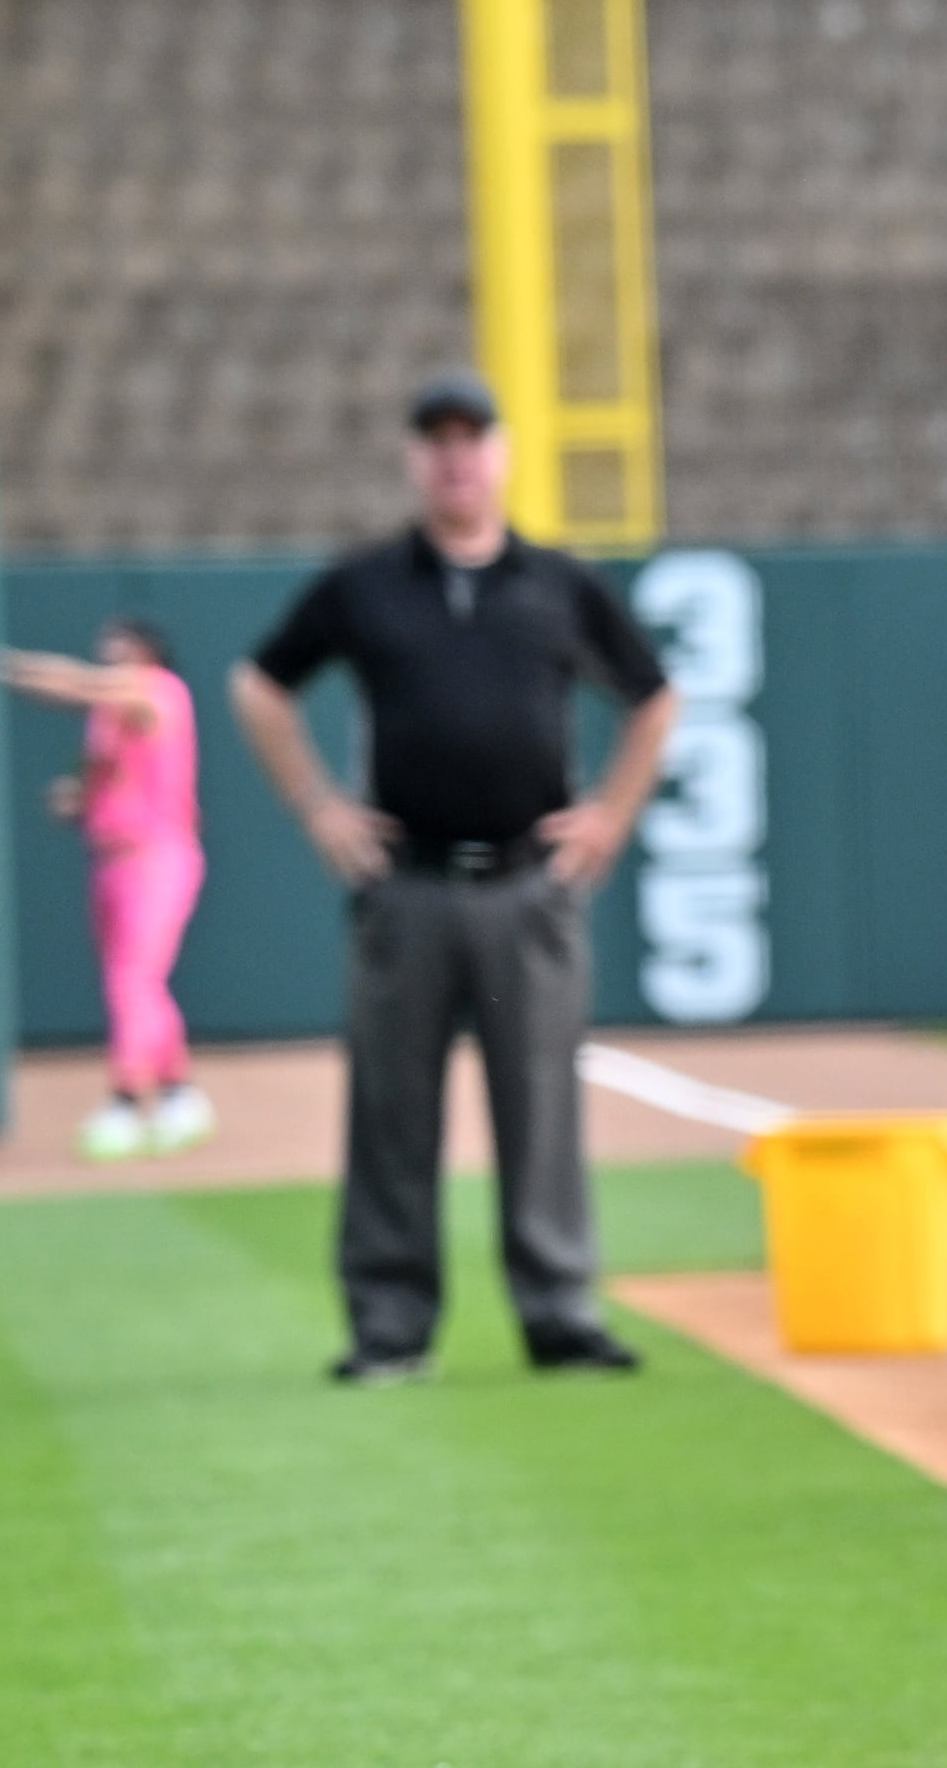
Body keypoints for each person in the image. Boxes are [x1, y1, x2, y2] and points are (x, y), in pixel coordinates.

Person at [231, 370, 675, 1382]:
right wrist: (318, 806)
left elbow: (652, 697)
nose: (455, 457)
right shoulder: (368, 583)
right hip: (409, 884)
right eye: (437, 440)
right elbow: (260, 686)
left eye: (471, 438)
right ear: (413, 458)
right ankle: (391, 1326)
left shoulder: (557, 584)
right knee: (392, 1111)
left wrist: (611, 811)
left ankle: (559, 1312)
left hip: (527, 883)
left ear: (503, 453)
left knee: (543, 1108)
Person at [0, 621, 213, 1159]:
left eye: (120, 644)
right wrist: (78, 801)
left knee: (132, 980)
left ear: (147, 651)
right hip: (110, 858)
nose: (109, 651)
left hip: (157, 857)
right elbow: (106, 775)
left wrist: (2, 663)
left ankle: (124, 1099)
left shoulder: (156, 688)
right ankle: (178, 1094)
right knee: (138, 983)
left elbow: (75, 684)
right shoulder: (108, 716)